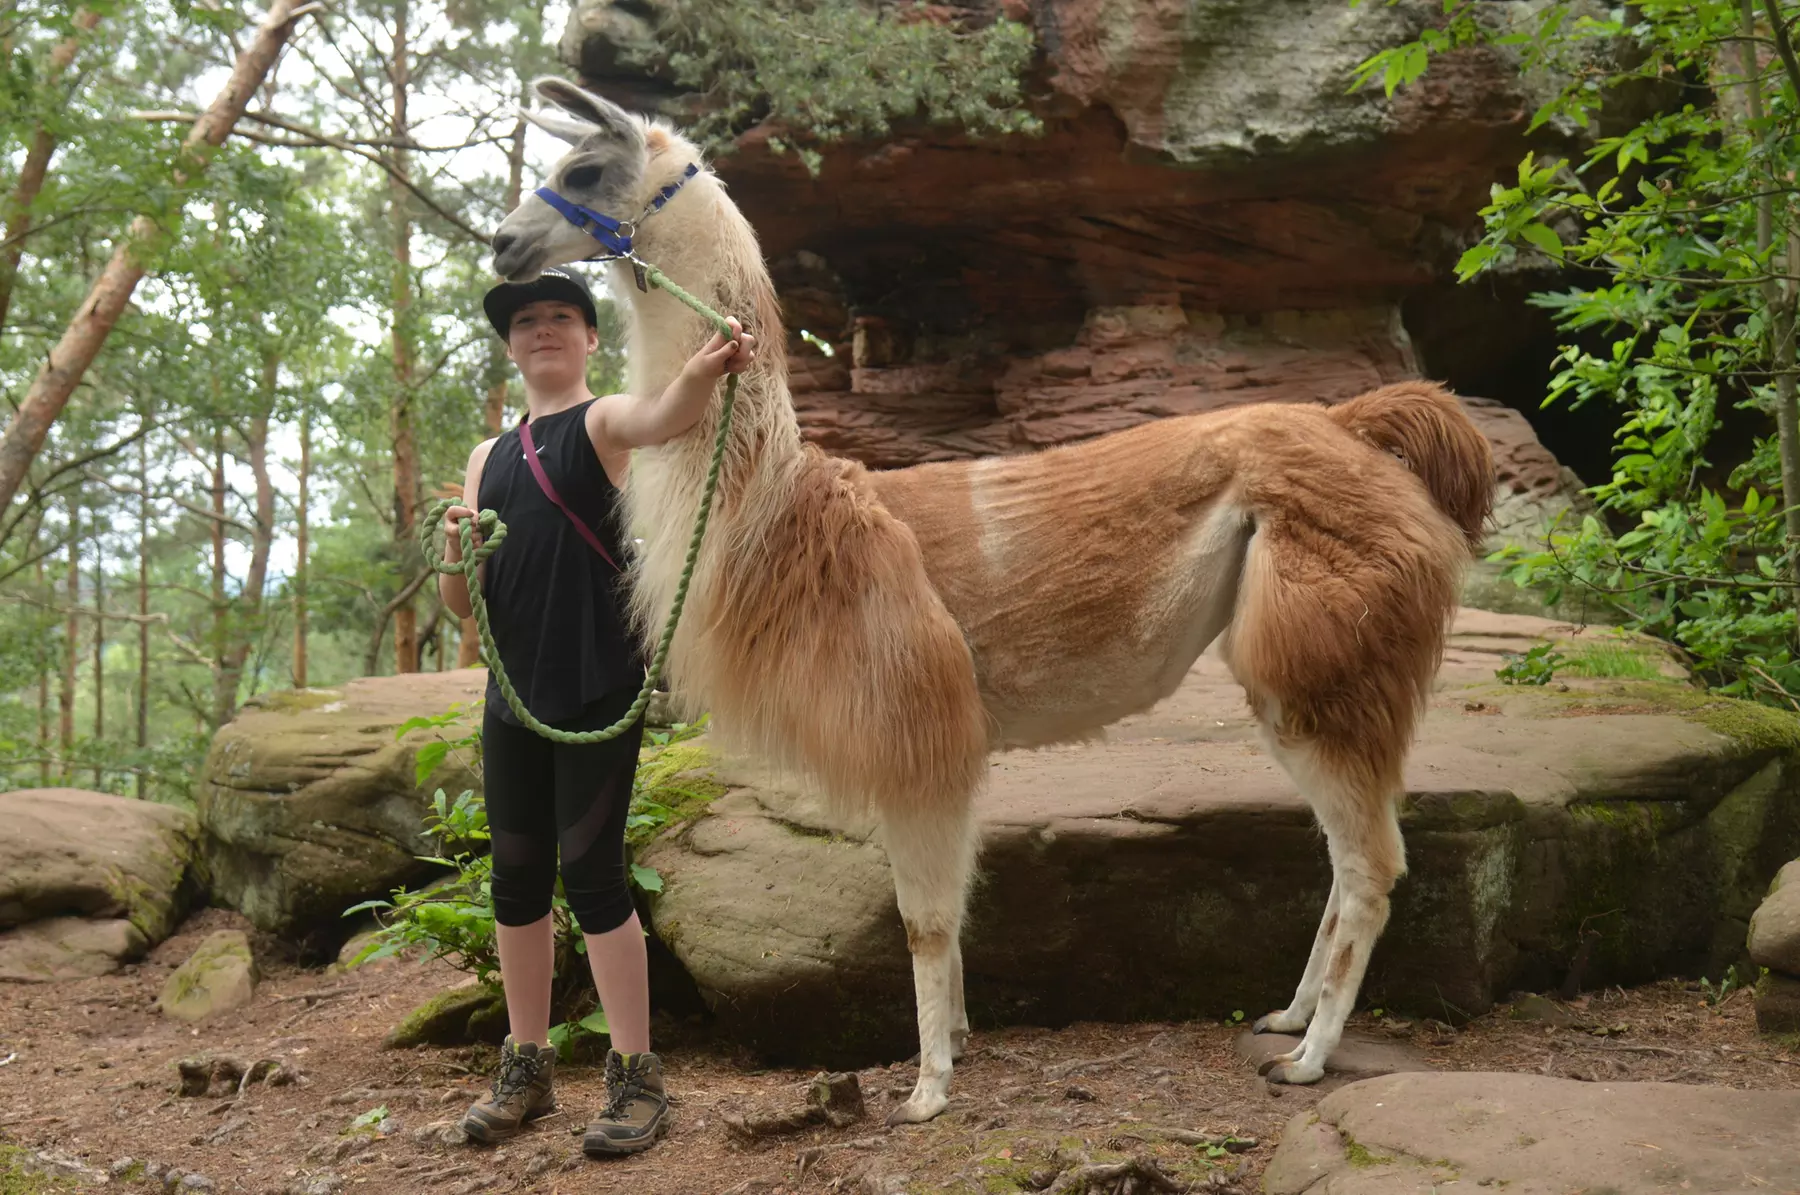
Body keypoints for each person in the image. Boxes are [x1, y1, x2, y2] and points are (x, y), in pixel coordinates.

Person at [438, 265, 754, 1157]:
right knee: (515, 880)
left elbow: (666, 417)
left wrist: (706, 366)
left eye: (561, 317)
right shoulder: (484, 458)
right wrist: (458, 551)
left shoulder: (603, 419)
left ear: (587, 338)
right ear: (511, 344)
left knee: (595, 877)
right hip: (514, 695)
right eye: (527, 320)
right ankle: (527, 1067)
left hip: (594, 687)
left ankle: (636, 1075)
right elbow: (465, 606)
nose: (543, 329)